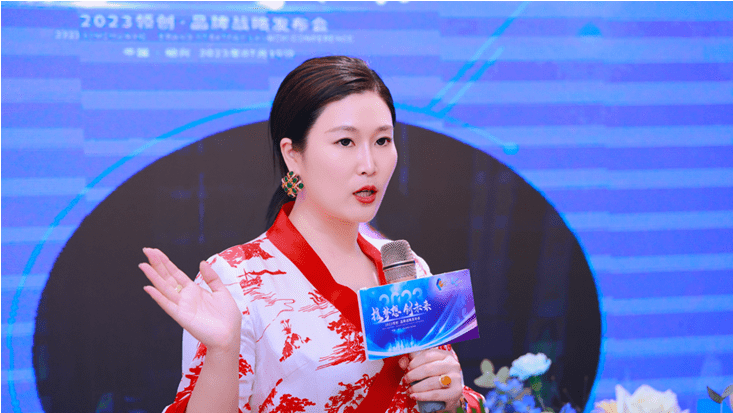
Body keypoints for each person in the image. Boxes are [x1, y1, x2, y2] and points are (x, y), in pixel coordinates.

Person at [140, 56, 485, 413]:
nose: (369, 165)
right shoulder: (234, 280)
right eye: (345, 142)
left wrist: (452, 398)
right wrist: (222, 351)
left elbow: (441, 395)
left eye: (383, 140)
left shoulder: (408, 268)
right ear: (293, 154)